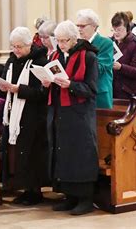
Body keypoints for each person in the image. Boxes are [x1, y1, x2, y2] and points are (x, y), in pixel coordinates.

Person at [42, 21, 98, 215]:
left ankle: (85, 199)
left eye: (64, 41)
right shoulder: (56, 56)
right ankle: (69, 196)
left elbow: (91, 90)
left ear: (75, 39)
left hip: (79, 114)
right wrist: (46, 82)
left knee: (80, 156)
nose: (61, 44)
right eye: (58, 40)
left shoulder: (89, 57)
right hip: (60, 113)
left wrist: (70, 85)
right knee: (63, 155)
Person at [0, 27, 49, 205]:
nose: (16, 50)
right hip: (13, 114)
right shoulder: (11, 61)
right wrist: (2, 87)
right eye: (13, 46)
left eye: (19, 46)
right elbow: (4, 85)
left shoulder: (40, 61)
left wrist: (19, 89)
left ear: (29, 45)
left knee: (32, 155)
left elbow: (42, 94)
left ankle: (35, 192)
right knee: (18, 155)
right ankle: (24, 189)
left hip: (33, 116)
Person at [76, 8, 113, 109]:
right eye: (78, 26)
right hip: (81, 92)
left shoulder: (105, 43)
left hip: (99, 93)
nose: (79, 29)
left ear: (94, 26)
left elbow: (101, 67)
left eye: (82, 26)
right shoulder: (77, 44)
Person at [111, 12, 136, 99]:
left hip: (128, 92)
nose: (116, 33)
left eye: (119, 29)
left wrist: (121, 67)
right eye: (114, 29)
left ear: (127, 28)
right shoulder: (111, 42)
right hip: (112, 89)